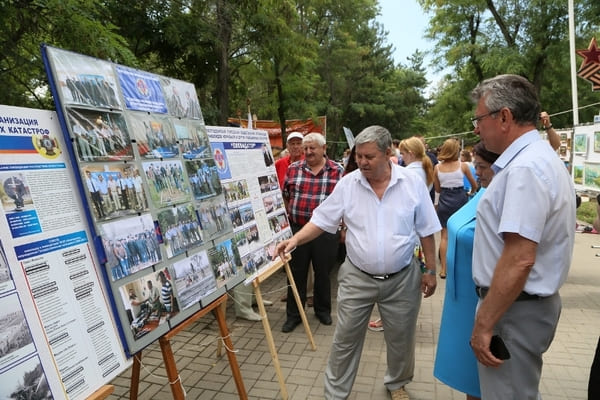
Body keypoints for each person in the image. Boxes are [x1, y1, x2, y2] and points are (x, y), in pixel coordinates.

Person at [276, 126, 441, 400]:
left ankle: (397, 383)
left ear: (388, 153)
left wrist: (431, 271)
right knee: (345, 340)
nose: (362, 162)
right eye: (359, 156)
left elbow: (426, 230)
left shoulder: (412, 183)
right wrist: (294, 241)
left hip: (402, 279)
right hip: (357, 277)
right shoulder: (349, 183)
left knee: (401, 339)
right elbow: (321, 219)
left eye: (369, 156)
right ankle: (334, 394)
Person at [469, 74, 575, 399]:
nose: (475, 128)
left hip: (513, 311)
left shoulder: (523, 170)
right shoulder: (536, 160)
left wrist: (485, 323)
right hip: (520, 308)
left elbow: (520, 257)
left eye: (479, 118)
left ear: (504, 117)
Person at [434, 142, 500, 400]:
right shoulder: (486, 191)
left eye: (482, 167)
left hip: (483, 299)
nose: (477, 172)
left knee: (484, 377)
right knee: (473, 378)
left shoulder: (500, 195)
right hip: (466, 298)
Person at [369, 136, 435, 332]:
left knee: (399, 280)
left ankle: (389, 318)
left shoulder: (410, 175)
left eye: (403, 153)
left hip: (407, 235)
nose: (402, 157)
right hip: (414, 235)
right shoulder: (425, 169)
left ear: (411, 153)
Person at [280, 132, 344, 333]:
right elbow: (286, 197)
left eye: (312, 148)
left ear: (324, 149)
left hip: (326, 231)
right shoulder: (293, 169)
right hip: (298, 229)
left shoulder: (337, 171)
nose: (307, 152)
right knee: (295, 274)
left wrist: (344, 228)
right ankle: (293, 315)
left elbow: (346, 203)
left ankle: (322, 310)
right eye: (305, 148)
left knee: (323, 273)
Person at [433, 138, 477, 279]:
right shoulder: (462, 166)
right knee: (459, 234)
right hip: (460, 199)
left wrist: (436, 206)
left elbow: (437, 190)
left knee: (444, 237)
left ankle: (444, 269)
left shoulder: (437, 168)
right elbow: (474, 184)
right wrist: (470, 192)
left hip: (445, 200)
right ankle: (461, 267)